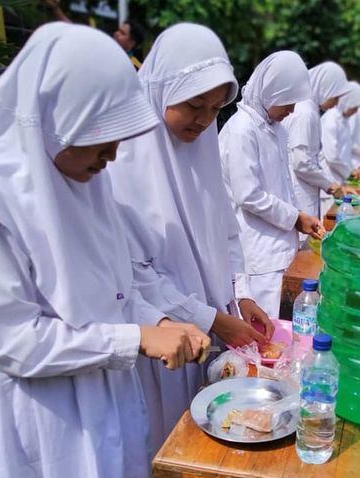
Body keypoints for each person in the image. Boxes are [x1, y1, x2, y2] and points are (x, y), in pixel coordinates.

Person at [0, 23, 210, 478]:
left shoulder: (84, 179)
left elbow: (116, 288)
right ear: (59, 117)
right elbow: (15, 341)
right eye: (103, 139)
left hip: (106, 390)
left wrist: (158, 320)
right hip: (46, 407)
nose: (113, 156)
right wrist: (135, 337)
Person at [107, 23, 274, 450]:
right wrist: (212, 319)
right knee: (165, 443)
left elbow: (225, 230)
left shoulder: (202, 145)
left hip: (215, 325)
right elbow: (133, 273)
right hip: (162, 340)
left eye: (216, 108)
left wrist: (243, 293)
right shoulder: (122, 157)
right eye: (194, 104)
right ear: (161, 89)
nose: (203, 120)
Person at [219, 51, 325, 318]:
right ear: (270, 92)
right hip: (258, 251)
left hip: (280, 247)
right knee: (264, 327)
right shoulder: (242, 129)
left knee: (280, 328)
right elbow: (249, 195)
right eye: (287, 103)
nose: (291, 110)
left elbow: (283, 186)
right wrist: (295, 218)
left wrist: (299, 219)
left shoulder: (275, 128)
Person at [284, 62, 353, 219]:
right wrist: (331, 185)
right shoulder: (304, 113)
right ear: (324, 88)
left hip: (303, 189)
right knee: (304, 240)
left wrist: (333, 184)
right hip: (298, 192)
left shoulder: (308, 109)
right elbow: (302, 163)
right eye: (335, 96)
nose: (336, 103)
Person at [44, 0, 145, 69]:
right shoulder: (102, 48)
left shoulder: (136, 68)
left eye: (122, 33)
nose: (116, 34)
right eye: (118, 30)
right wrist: (56, 9)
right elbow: (75, 32)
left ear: (132, 43)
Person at [321, 81, 360, 184]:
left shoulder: (344, 119)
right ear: (347, 101)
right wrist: (350, 172)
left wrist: (353, 169)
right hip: (330, 179)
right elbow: (332, 157)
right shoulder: (331, 119)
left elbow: (345, 150)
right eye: (354, 107)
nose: (356, 111)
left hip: (340, 177)